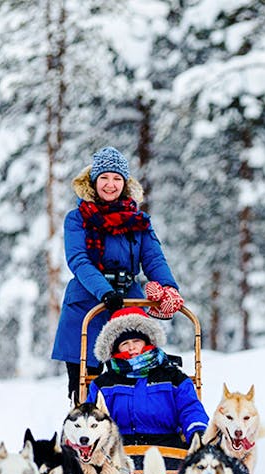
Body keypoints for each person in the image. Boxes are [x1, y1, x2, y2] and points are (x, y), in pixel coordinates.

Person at [51, 146, 183, 399]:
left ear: (125, 183)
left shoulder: (138, 220)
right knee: (84, 386)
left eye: (116, 179)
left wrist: (168, 288)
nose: (110, 184)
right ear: (93, 181)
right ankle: (85, 431)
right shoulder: (77, 218)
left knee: (130, 376)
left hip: (128, 303)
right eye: (104, 178)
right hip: (86, 303)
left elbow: (153, 258)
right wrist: (105, 291)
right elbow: (78, 259)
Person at [86, 307, 208, 448]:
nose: (131, 348)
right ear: (115, 348)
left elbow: (190, 408)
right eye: (125, 344)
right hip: (118, 450)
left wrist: (198, 433)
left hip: (167, 447)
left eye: (136, 341)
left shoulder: (173, 377)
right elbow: (90, 418)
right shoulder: (104, 384)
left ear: (147, 341)